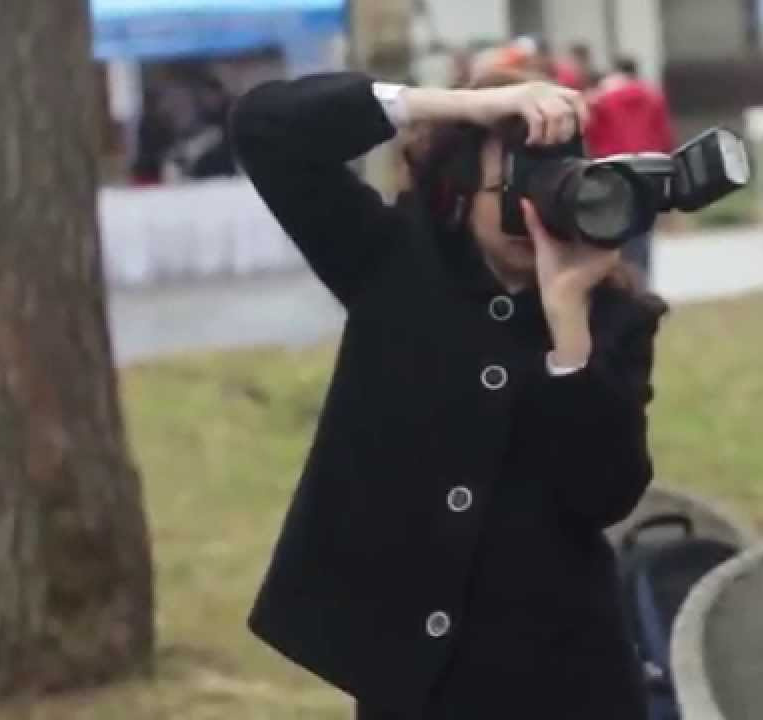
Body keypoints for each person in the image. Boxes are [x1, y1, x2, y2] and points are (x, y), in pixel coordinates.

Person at [230, 67, 666, 719]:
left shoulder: (612, 316)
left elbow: (606, 492)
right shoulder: (393, 263)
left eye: (557, 184)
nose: (534, 209)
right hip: (416, 680)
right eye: (513, 185)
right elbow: (265, 128)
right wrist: (462, 105)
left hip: (566, 675)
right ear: (460, 191)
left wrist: (566, 312)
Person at [583, 57, 676, 287]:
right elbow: (665, 136)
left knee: (613, 235)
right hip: (648, 171)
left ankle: (619, 287)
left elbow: (589, 135)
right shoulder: (653, 97)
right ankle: (641, 287)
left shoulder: (600, 100)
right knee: (642, 236)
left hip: (611, 172)